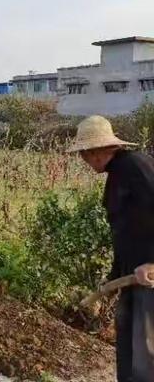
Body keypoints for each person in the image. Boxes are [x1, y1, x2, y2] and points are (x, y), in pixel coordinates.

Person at [68, 115, 154, 381]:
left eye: (83, 154)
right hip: (130, 277)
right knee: (127, 350)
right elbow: (124, 232)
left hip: (148, 278)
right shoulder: (117, 174)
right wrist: (113, 277)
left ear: (95, 152)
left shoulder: (136, 167)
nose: (83, 159)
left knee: (145, 357)